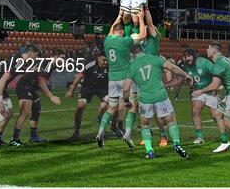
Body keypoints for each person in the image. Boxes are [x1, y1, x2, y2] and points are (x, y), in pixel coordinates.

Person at [123, 43, 193, 160]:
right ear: (143, 50)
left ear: (132, 54)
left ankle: (149, 150)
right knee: (171, 122)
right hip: (161, 96)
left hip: (145, 99)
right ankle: (176, 144)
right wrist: (186, 75)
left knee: (145, 125)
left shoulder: (131, 66)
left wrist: (126, 100)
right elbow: (173, 68)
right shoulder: (156, 59)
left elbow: (126, 88)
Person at [96, 10, 146, 149]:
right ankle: (128, 134)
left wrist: (118, 16)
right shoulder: (124, 41)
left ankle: (100, 133)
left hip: (112, 79)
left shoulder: (107, 41)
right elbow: (142, 35)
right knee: (132, 107)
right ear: (122, 32)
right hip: (126, 79)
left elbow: (112, 30)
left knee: (111, 108)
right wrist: (141, 19)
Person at [11, 52, 63, 146]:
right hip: (25, 85)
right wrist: (51, 97)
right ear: (53, 57)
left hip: (31, 87)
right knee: (25, 112)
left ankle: (33, 137)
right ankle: (14, 139)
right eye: (60, 58)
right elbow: (41, 83)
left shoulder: (48, 64)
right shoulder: (48, 63)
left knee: (36, 110)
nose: (62, 60)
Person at [139, 8, 169, 147]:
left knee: (157, 111)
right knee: (144, 110)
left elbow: (149, 24)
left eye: (147, 28)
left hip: (154, 77)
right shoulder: (142, 43)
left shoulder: (154, 39)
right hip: (143, 79)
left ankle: (163, 136)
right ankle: (146, 135)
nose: (144, 29)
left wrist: (146, 10)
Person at [182, 48, 225, 144]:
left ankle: (224, 136)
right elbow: (191, 80)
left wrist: (220, 86)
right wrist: (189, 82)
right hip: (199, 92)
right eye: (185, 57)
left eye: (189, 56)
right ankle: (200, 137)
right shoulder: (186, 66)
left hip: (211, 91)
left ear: (194, 56)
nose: (187, 59)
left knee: (215, 115)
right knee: (195, 111)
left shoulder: (205, 63)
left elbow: (218, 74)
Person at [66, 54, 110, 140]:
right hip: (88, 87)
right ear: (98, 58)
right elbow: (79, 77)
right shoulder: (90, 66)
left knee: (107, 103)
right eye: (104, 60)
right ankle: (76, 130)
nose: (106, 62)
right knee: (80, 106)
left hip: (102, 88)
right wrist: (71, 90)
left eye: (107, 60)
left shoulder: (109, 66)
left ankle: (100, 118)